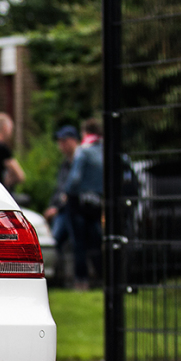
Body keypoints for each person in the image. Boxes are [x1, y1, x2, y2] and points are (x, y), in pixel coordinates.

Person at [64, 118, 104, 290]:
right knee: (96, 241)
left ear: (85, 132)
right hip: (97, 202)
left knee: (79, 243)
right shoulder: (104, 150)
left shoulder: (83, 151)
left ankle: (81, 281)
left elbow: (75, 178)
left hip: (79, 203)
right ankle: (102, 277)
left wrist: (67, 192)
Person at [44, 125, 80, 273]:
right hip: (63, 210)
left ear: (73, 141)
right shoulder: (65, 165)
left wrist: (56, 208)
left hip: (74, 209)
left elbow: (71, 190)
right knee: (58, 242)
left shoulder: (79, 162)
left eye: (63, 141)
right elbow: (59, 190)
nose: (61, 145)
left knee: (59, 241)